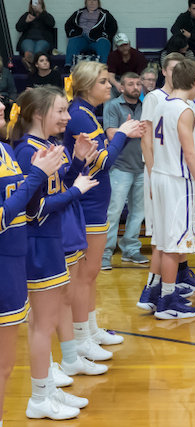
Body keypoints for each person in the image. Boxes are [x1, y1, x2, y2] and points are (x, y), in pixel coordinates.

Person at [13, 86, 99, 420]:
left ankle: (48, 388)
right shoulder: (26, 151)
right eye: (60, 111)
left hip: (49, 241)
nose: (67, 117)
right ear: (39, 113)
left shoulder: (44, 145)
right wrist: (76, 191)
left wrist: (77, 162)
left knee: (46, 323)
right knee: (43, 325)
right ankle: (40, 397)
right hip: (38, 243)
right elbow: (34, 210)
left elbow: (56, 186)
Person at [63, 61, 145, 350]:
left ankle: (91, 329)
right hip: (87, 203)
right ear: (87, 86)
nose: (109, 85)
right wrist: (122, 133)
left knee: (92, 273)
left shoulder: (87, 113)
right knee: (85, 274)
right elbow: (103, 162)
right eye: (103, 81)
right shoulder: (80, 116)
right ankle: (81, 337)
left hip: (95, 201)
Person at [0, 100, 64, 427]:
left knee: (6, 365)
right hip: (10, 257)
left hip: (14, 257)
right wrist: (37, 175)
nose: (2, 106)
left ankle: (43, 394)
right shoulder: (20, 150)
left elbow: (24, 205)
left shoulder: (6, 150)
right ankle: (41, 395)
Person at [137, 53, 195, 313]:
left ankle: (156, 292)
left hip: (159, 175)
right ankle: (168, 300)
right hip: (177, 180)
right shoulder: (183, 109)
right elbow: (189, 153)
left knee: (162, 240)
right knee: (173, 243)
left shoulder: (161, 104)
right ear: (193, 80)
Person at [101, 72, 147, 270]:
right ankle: (104, 253)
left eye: (138, 84)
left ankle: (130, 249)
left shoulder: (147, 106)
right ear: (121, 87)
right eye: (130, 84)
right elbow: (111, 134)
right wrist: (131, 132)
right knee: (113, 212)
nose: (135, 87)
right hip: (119, 166)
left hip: (143, 166)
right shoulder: (112, 105)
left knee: (138, 212)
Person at [64, 0, 118, 67]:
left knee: (104, 43)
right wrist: (72, 33)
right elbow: (68, 24)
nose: (92, 2)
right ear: (86, 2)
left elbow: (113, 26)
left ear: (98, 2)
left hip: (97, 39)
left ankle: (104, 67)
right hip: (81, 38)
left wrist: (105, 35)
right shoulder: (78, 13)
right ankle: (69, 65)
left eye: (94, 0)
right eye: (89, 0)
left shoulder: (104, 14)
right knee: (73, 41)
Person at [15, 0, 56, 70]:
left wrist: (42, 12)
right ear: (31, 5)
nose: (37, 5)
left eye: (39, 3)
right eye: (35, 3)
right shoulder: (27, 15)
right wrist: (26, 21)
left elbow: (52, 24)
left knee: (38, 52)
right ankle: (33, 67)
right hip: (28, 39)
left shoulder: (45, 15)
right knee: (29, 51)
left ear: (42, 5)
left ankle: (30, 66)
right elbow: (18, 28)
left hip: (43, 40)